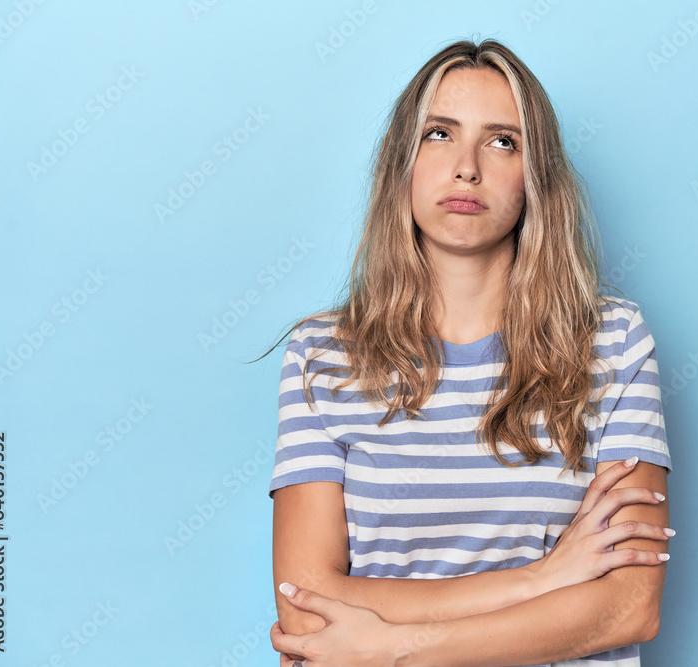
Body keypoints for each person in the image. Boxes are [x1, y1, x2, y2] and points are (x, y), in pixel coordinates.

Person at [263, 37, 673, 666]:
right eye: (439, 134)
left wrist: (395, 652)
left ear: (536, 179)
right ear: (401, 164)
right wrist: (540, 579)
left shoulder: (612, 342)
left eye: (503, 141)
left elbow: (627, 607)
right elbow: (304, 603)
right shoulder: (322, 355)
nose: (467, 168)